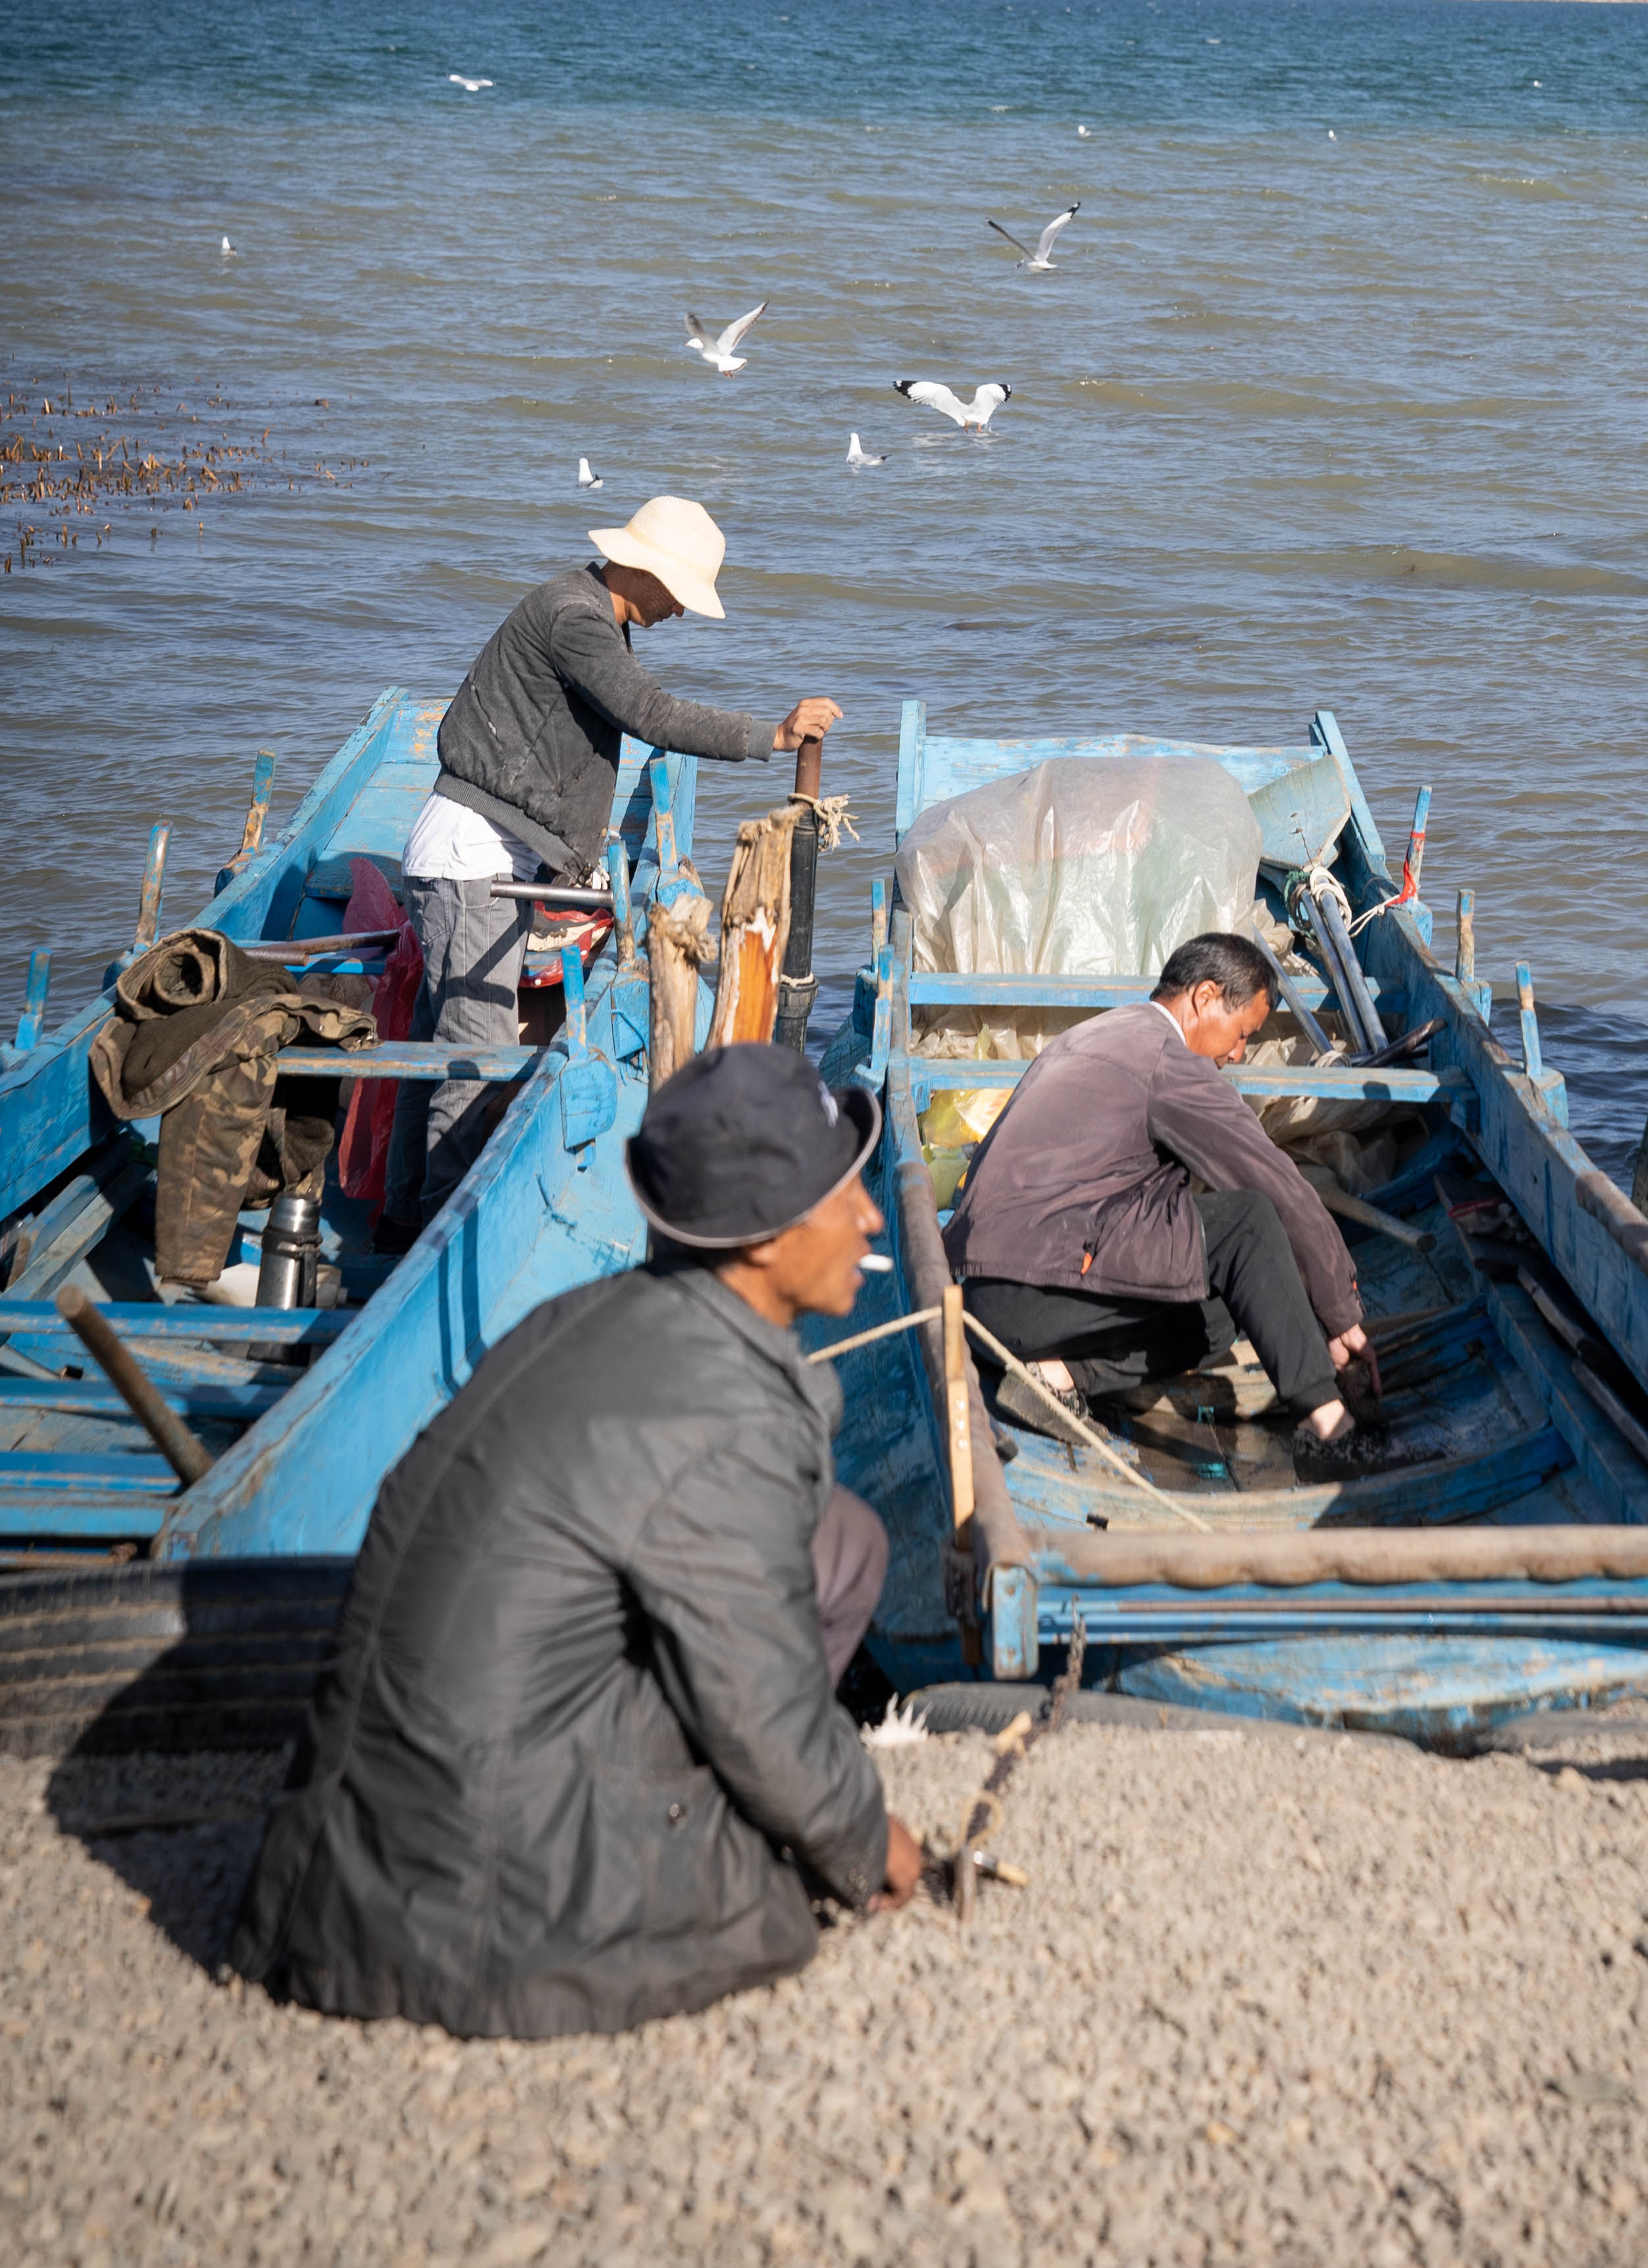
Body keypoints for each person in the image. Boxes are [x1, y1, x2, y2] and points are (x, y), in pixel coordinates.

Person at [230, 1037, 925, 2039]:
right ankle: (740, 1824)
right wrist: (867, 1840)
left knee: (841, 1536)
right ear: (768, 1241)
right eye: (843, 1198)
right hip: (463, 1921)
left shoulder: (594, 1314)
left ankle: (746, 1802)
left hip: (354, 1840)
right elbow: (761, 1699)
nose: (869, 1217)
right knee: (767, 1904)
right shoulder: (729, 1409)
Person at [386, 493, 838, 1233]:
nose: (683, 613)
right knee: (476, 1061)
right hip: (470, 859)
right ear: (641, 570)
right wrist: (775, 736)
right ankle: (442, 1239)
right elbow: (652, 715)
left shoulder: (587, 612)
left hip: (477, 854)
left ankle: (401, 1224)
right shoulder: (579, 621)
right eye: (681, 594)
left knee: (442, 1046)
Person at [945, 928, 1386, 1475]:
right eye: (1242, 1032)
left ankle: (1056, 1377)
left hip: (980, 1303)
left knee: (1218, 1315)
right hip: (1036, 1284)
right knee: (1248, 1222)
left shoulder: (1098, 1034)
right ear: (1203, 998)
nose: (1237, 1053)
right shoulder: (1167, 1059)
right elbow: (1274, 1182)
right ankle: (1327, 1426)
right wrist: (1341, 1317)